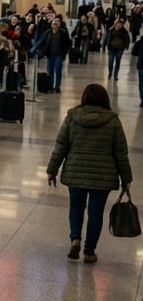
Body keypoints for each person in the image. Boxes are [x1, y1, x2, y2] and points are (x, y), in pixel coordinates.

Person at [46, 84, 132, 264]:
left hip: (75, 172)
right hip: (102, 177)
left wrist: (52, 170)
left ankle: (75, 239)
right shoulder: (113, 121)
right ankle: (89, 251)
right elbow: (121, 154)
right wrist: (126, 178)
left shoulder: (72, 117)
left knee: (76, 207)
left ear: (84, 98)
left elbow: (60, 146)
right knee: (96, 213)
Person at [33, 17, 71, 94]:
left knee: (57, 69)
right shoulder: (48, 32)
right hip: (50, 54)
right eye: (54, 21)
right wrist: (33, 49)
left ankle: (57, 87)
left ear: (60, 24)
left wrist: (65, 52)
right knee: (50, 71)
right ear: (51, 24)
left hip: (59, 54)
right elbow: (41, 41)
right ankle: (50, 87)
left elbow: (67, 43)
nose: (55, 23)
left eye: (57, 22)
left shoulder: (63, 33)